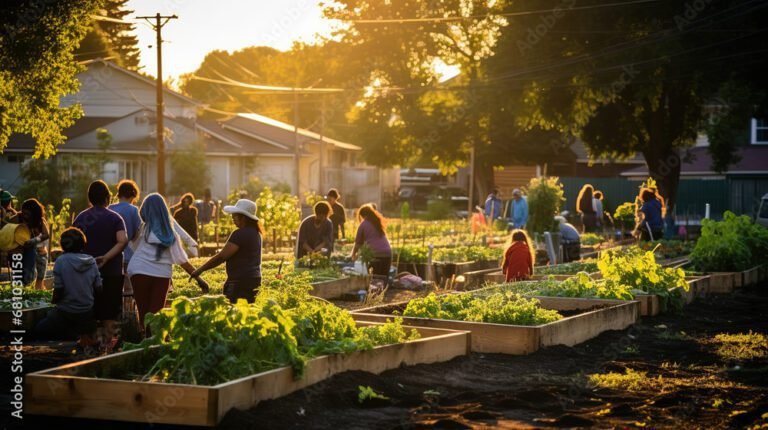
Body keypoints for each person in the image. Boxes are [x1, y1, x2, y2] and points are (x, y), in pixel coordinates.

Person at [127, 194, 208, 332]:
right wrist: (199, 278)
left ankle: (144, 346)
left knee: (144, 314)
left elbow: (132, 246)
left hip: (138, 271)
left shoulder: (143, 229)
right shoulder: (170, 234)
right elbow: (182, 261)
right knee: (155, 315)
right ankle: (153, 344)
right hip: (161, 275)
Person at [73, 180, 128, 348]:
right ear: (107, 198)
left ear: (90, 198)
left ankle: (86, 342)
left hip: (85, 272)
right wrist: (106, 257)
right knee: (110, 309)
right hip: (111, 272)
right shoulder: (115, 218)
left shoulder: (81, 218)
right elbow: (122, 241)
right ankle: (107, 345)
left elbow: (72, 245)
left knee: (86, 307)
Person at [34, 227, 100, 340]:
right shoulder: (91, 261)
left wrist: (53, 302)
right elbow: (98, 288)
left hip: (65, 311)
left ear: (63, 245)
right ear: (83, 244)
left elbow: (59, 290)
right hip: (86, 311)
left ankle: (68, 333)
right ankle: (75, 333)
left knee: (38, 330)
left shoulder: (61, 261)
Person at [191, 199, 262, 303]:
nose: (232, 217)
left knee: (233, 313)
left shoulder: (239, 234)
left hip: (239, 282)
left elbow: (221, 257)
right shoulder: (256, 234)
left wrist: (200, 269)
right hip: (254, 279)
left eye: (235, 215)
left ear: (244, 217)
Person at [109, 180, 141, 294]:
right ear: (133, 195)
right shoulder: (134, 210)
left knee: (113, 288)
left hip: (111, 254)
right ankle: (128, 311)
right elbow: (137, 234)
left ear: (119, 193)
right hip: (129, 254)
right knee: (129, 289)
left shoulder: (109, 208)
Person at [14, 199, 49, 288]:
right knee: (26, 275)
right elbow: (8, 223)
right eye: (24, 213)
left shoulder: (40, 221)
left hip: (40, 252)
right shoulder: (19, 217)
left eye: (27, 214)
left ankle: (37, 293)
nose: (25, 216)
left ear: (34, 213)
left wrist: (34, 240)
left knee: (40, 277)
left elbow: (46, 234)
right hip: (24, 251)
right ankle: (24, 289)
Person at [350, 204, 392, 278]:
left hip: (376, 254)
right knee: (384, 278)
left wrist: (353, 255)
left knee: (376, 278)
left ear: (364, 216)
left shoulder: (363, 225)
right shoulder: (377, 223)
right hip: (387, 253)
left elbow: (358, 243)